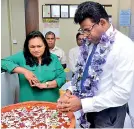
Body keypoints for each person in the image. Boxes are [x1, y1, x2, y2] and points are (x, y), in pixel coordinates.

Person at [57, 1, 134, 128]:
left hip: (108, 113)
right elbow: (83, 73)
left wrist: (82, 104)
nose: (85, 36)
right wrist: (70, 91)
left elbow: (121, 94)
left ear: (102, 23)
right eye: (82, 31)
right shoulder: (92, 42)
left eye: (87, 30)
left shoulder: (124, 46)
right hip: (88, 109)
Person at [1, 31, 66, 102]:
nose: (36, 50)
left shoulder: (53, 58)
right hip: (27, 104)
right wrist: (25, 71)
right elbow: (2, 62)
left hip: (51, 103)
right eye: (32, 47)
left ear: (45, 45)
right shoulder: (22, 56)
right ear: (27, 47)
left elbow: (62, 78)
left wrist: (44, 85)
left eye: (39, 46)